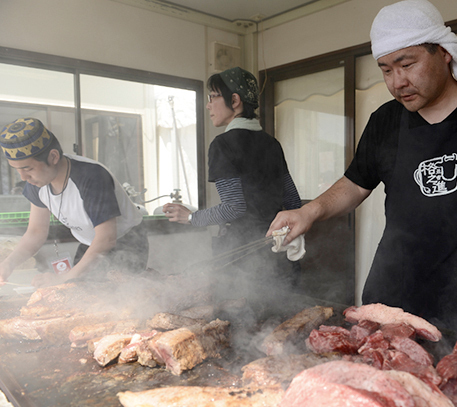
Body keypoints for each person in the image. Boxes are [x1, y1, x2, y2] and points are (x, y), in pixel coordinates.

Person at [267, 0, 457, 342]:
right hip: (393, 297)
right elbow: (356, 184)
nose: (397, 81)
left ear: (443, 52)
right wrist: (309, 211)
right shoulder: (384, 122)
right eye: (386, 69)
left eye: (407, 64)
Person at [163, 67, 302, 292]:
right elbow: (293, 202)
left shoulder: (223, 145)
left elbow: (234, 208)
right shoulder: (272, 144)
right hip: (277, 255)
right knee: (279, 320)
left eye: (213, 97)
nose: (208, 105)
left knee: (241, 322)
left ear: (235, 100)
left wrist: (191, 217)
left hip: (243, 260)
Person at [0, 117, 148, 287]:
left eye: (28, 168)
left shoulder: (91, 177)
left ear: (53, 157)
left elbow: (106, 238)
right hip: (90, 243)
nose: (23, 178)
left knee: (120, 300)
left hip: (126, 242)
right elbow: (36, 232)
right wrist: (7, 264)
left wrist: (64, 278)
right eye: (17, 170)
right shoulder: (37, 182)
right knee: (76, 293)